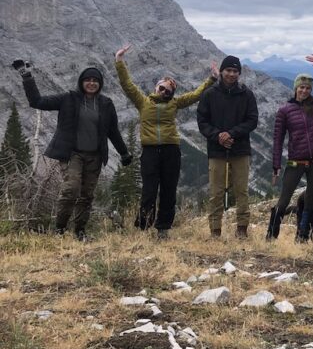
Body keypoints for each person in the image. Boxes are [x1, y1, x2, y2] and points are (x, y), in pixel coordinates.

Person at [13, 59, 131, 240]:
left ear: (100, 84)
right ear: (81, 82)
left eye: (95, 80)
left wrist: (123, 153)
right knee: (71, 189)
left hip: (95, 156)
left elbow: (113, 131)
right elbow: (37, 101)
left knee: (87, 195)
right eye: (88, 80)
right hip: (72, 154)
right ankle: (59, 231)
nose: (91, 83)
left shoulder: (106, 104)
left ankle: (80, 232)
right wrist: (27, 76)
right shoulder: (67, 98)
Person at [114, 44, 218, 239]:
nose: (164, 92)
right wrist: (119, 61)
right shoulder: (143, 102)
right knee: (149, 191)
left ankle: (163, 228)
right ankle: (143, 227)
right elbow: (127, 85)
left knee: (169, 190)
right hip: (150, 151)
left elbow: (196, 95)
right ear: (156, 87)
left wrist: (212, 78)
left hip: (171, 150)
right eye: (162, 88)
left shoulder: (175, 103)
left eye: (168, 91)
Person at [266, 54, 313, 241]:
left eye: (307, 88)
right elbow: (278, 139)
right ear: (295, 88)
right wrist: (276, 165)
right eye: (301, 87)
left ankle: (302, 234)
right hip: (296, 161)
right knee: (285, 198)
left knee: (310, 199)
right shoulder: (285, 111)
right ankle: (272, 234)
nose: (304, 90)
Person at [196, 55, 258, 238]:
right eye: (228, 70)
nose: (231, 74)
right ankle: (215, 231)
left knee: (241, 190)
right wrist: (218, 136)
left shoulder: (246, 94)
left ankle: (242, 229)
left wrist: (232, 133)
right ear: (222, 71)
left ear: (239, 73)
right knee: (215, 192)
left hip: (240, 149)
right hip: (217, 150)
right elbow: (202, 121)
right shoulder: (209, 94)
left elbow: (252, 120)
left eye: (235, 71)